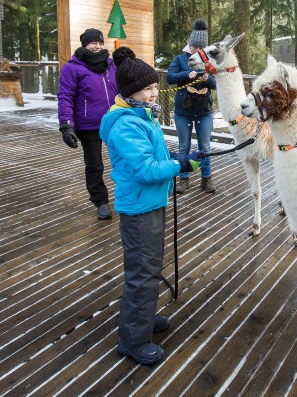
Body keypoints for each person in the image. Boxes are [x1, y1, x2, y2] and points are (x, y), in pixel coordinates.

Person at [100, 47, 201, 365]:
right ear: (131, 93)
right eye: (149, 89)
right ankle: (132, 339)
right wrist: (180, 165)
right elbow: (145, 171)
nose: (155, 93)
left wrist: (176, 162)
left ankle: (142, 318)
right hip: (139, 208)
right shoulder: (128, 125)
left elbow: (153, 159)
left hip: (152, 203)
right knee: (142, 273)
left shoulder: (142, 116)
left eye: (156, 87)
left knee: (149, 267)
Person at [57, 28, 118, 220]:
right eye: (93, 43)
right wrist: (66, 125)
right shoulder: (72, 68)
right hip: (88, 124)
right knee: (94, 165)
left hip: (115, 120)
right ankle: (101, 202)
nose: (97, 46)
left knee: (125, 158)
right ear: (85, 44)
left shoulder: (112, 65)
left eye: (100, 43)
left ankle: (130, 194)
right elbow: (65, 96)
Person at [166, 18, 217, 194]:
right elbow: (170, 77)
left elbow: (217, 83)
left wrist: (208, 79)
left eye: (200, 47)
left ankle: (206, 178)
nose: (196, 50)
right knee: (183, 146)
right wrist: (187, 75)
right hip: (183, 111)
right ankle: (184, 179)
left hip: (204, 111)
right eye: (194, 46)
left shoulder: (209, 61)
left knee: (205, 146)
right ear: (190, 44)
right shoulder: (180, 59)